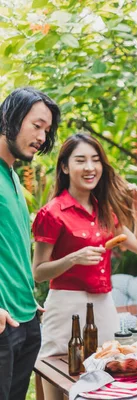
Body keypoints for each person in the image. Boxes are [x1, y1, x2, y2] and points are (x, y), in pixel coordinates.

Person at [32, 133, 137, 400]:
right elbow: (38, 272)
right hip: (65, 306)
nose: (89, 167)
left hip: (103, 304)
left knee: (106, 378)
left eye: (95, 160)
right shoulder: (51, 213)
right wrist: (73, 258)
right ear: (65, 167)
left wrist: (136, 205)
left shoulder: (105, 210)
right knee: (56, 377)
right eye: (81, 160)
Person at [0, 87, 60, 400]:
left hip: (24, 317)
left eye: (46, 130)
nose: (41, 137)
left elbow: (11, 248)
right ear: (9, 118)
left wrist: (26, 296)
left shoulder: (10, 175)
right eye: (36, 125)